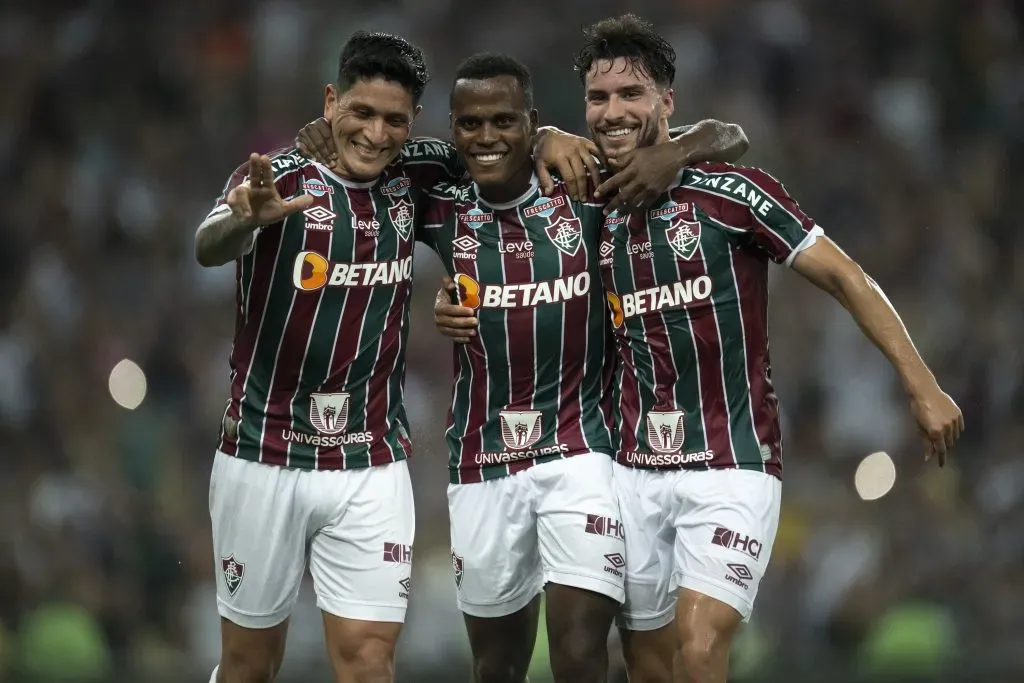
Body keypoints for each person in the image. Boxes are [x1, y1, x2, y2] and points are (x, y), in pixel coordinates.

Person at [436, 14, 965, 683]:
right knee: (650, 666)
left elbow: (842, 273)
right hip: (629, 471)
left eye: (632, 95)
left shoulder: (730, 194)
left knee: (700, 648)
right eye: (599, 99)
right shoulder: (585, 200)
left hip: (731, 463)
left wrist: (921, 382)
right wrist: (541, 136)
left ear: (667, 102)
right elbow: (509, 191)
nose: (614, 112)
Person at [194, 30, 592, 683]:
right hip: (262, 452)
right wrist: (242, 221)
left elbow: (494, 147)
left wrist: (549, 137)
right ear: (331, 101)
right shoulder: (274, 177)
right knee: (247, 665)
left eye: (394, 120)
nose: (377, 134)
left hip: (369, 460)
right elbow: (210, 244)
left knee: (370, 659)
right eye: (362, 113)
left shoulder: (418, 171)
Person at [413, 53, 747, 683]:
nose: (488, 137)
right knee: (497, 666)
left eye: (506, 122)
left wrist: (678, 149)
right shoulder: (440, 205)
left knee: (580, 650)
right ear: (453, 130)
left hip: (581, 452)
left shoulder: (584, 185)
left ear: (531, 120)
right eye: (471, 124)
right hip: (479, 462)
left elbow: (732, 136)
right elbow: (375, 166)